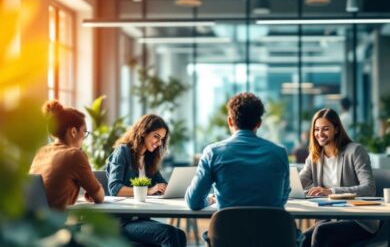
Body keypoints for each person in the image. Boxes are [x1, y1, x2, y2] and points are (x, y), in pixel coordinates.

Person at [185, 92, 303, 242]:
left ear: (230, 121)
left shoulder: (213, 152)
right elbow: (282, 198)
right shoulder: (279, 153)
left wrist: (209, 200)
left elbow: (193, 202)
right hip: (271, 237)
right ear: (259, 123)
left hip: (228, 237)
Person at [299, 108, 378, 247]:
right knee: (301, 239)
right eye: (316, 129)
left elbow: (369, 188)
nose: (319, 134)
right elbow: (299, 182)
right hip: (330, 218)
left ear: (336, 129)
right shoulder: (315, 156)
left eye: (325, 129)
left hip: (358, 220)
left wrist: (331, 191)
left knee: (321, 233)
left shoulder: (355, 151)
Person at [106, 114, 186, 247]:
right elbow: (115, 189)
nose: (159, 143)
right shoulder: (123, 152)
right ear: (143, 132)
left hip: (140, 220)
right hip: (122, 223)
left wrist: (174, 188)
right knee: (168, 234)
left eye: (162, 139)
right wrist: (149, 190)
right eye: (156, 136)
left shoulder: (149, 159)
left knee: (180, 234)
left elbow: (163, 184)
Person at [29, 100, 104, 210]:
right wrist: (94, 190)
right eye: (84, 132)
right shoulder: (74, 155)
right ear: (73, 132)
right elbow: (100, 197)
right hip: (58, 224)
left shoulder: (41, 152)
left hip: (33, 223)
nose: (84, 138)